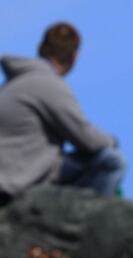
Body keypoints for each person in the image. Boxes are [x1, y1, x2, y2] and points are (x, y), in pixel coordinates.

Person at [0, 22, 126, 206]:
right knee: (112, 161)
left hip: (16, 171)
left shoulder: (12, 84)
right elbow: (87, 139)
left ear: (40, 48)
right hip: (18, 181)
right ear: (74, 56)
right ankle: (91, 226)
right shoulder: (47, 84)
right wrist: (113, 141)